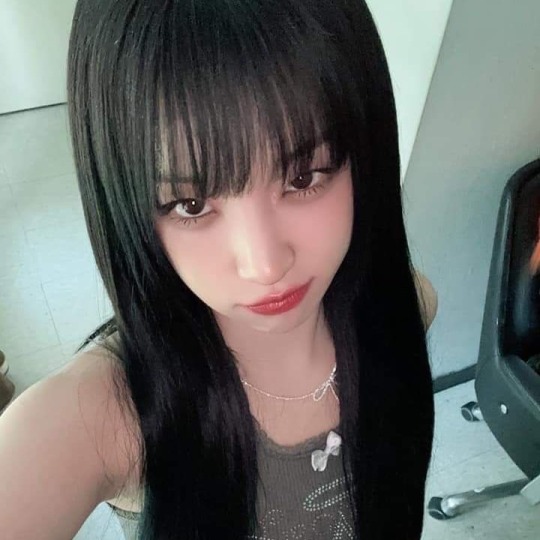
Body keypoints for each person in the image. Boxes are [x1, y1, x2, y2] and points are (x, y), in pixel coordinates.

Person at [0, 1, 438, 539]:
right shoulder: (104, 414)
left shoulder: (406, 309)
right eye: (191, 205)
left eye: (304, 177)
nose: (265, 264)